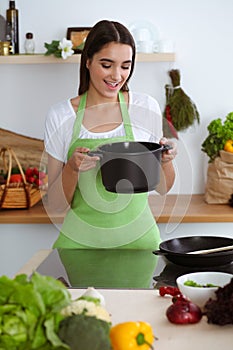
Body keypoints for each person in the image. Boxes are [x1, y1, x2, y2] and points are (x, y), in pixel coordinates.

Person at [44, 19, 177, 287]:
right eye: (107, 65)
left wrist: (165, 162)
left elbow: (162, 188)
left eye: (125, 66)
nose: (117, 76)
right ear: (88, 61)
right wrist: (71, 168)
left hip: (141, 246)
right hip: (80, 248)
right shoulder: (61, 115)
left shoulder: (144, 107)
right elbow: (56, 205)